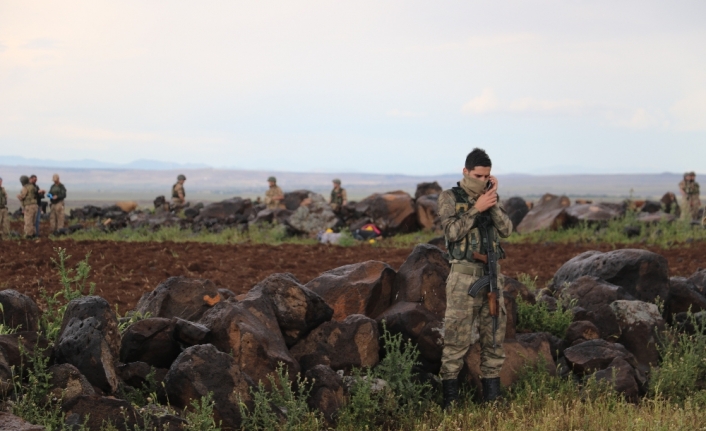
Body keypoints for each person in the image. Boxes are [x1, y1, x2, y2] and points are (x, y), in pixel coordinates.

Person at [438, 148, 513, 408]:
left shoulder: (490, 198)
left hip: (491, 278)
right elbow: (452, 232)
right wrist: (475, 209)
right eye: (478, 175)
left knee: (493, 338)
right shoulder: (450, 197)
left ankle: (492, 400)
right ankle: (451, 401)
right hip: (463, 279)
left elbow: (506, 230)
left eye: (487, 176)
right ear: (465, 172)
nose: (482, 180)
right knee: (456, 340)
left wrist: (490, 201)